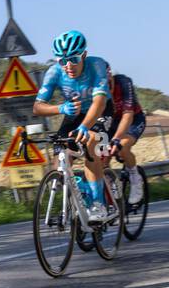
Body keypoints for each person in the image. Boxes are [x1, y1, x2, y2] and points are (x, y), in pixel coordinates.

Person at [32, 30, 115, 221]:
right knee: (58, 165)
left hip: (100, 112)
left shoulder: (97, 65)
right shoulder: (54, 72)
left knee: (90, 142)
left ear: (84, 55)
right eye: (62, 61)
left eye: (74, 59)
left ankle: (98, 203)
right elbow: (38, 107)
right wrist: (60, 108)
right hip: (73, 113)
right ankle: (77, 192)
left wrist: (85, 127)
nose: (68, 65)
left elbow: (100, 102)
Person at [106, 67, 147, 205]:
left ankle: (135, 179)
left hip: (133, 119)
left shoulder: (124, 83)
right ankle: (111, 190)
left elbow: (128, 115)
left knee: (122, 147)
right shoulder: (96, 90)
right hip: (112, 122)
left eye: (108, 81)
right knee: (102, 156)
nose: (106, 85)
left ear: (110, 75)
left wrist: (116, 139)